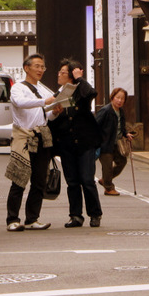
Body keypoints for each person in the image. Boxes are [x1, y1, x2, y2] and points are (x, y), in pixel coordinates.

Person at [47, 60, 103, 228]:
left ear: (71, 76)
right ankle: (75, 215)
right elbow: (50, 121)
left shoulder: (81, 93)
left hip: (85, 143)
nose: (59, 74)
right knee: (72, 181)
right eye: (59, 72)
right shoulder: (57, 94)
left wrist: (80, 79)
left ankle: (95, 213)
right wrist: (55, 114)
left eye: (63, 72)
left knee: (87, 179)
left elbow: (92, 93)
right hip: (66, 144)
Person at [5, 53, 54, 231]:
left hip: (42, 136)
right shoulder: (18, 87)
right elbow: (20, 102)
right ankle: (12, 220)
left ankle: (32, 218)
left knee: (39, 180)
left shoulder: (44, 89)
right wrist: (44, 101)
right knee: (19, 178)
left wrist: (56, 110)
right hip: (24, 137)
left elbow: (47, 115)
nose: (40, 70)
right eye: (37, 66)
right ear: (27, 68)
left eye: (43, 67)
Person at [94, 87, 133, 196]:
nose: (120, 101)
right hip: (105, 143)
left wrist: (126, 134)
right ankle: (109, 187)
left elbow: (121, 126)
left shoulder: (121, 111)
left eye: (122, 99)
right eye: (118, 98)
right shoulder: (106, 110)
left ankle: (106, 180)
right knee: (107, 166)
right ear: (112, 97)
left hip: (117, 143)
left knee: (122, 161)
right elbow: (95, 125)